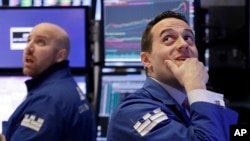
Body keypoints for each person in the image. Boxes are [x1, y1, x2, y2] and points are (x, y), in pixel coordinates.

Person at [107, 11, 238, 141]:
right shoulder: (132, 112)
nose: (184, 44)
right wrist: (197, 88)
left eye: (188, 38)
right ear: (147, 60)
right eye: (168, 38)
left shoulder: (195, 102)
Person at [1, 22, 96, 141]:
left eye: (40, 42)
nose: (28, 48)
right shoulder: (66, 86)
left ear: (60, 55)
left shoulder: (47, 100)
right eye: (28, 40)